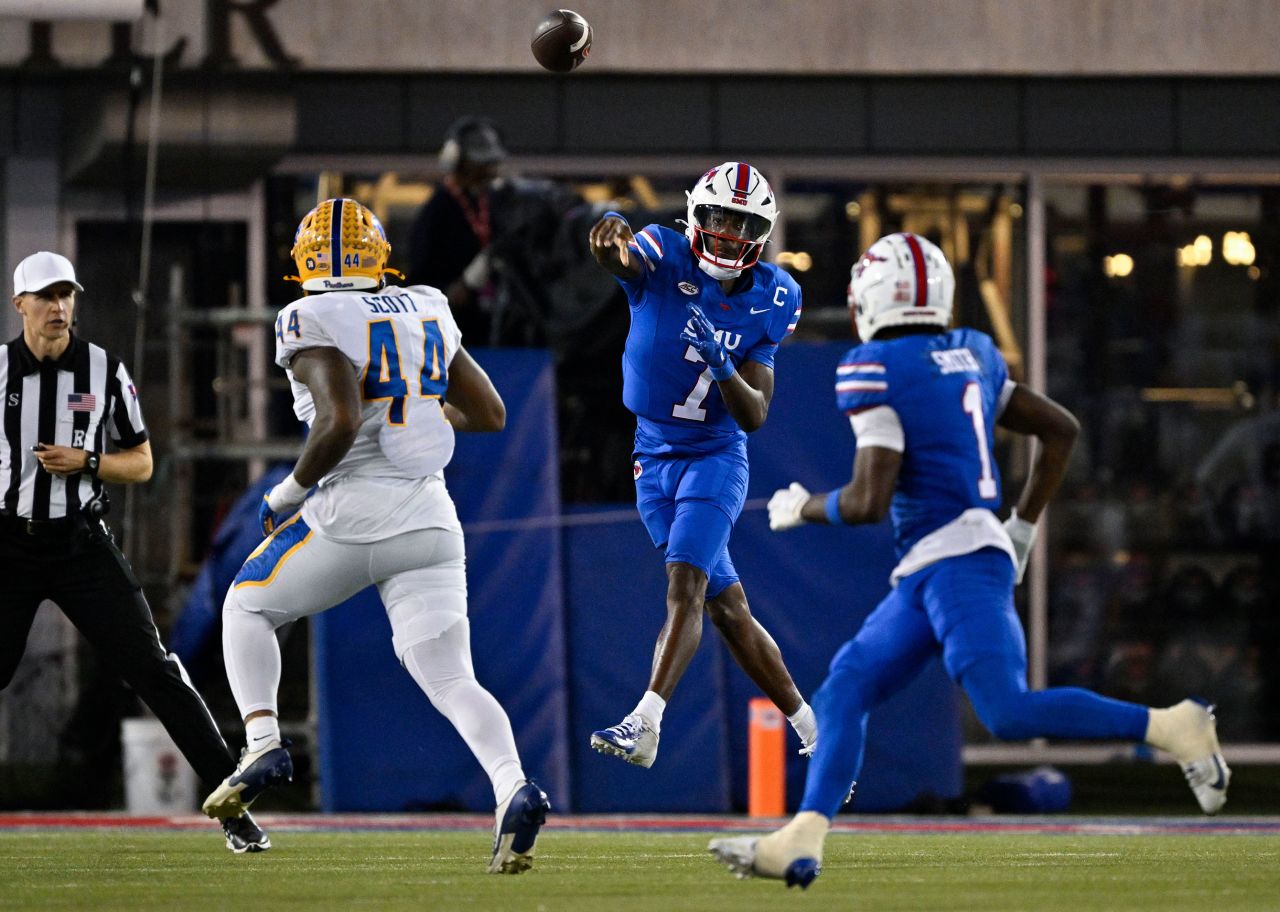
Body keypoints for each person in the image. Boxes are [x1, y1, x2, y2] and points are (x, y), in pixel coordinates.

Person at [709, 233, 1231, 889]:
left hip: (955, 565)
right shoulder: (975, 354)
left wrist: (803, 506)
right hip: (937, 565)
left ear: (871, 295)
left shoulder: (875, 367)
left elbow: (869, 501)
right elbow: (1060, 428)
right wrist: (1023, 524)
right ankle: (801, 839)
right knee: (845, 687)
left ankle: (1172, 725)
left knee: (1007, 711)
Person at [199, 198, 550, 874]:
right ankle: (512, 787)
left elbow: (337, 423)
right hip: (431, 519)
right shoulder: (425, 304)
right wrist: (416, 408)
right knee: (452, 679)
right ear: (379, 259)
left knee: (247, 605)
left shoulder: (306, 316)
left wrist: (285, 492)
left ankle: (264, 741)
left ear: (305, 265)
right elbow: (491, 412)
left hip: (354, 510)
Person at [0, 251, 268, 853]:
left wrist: (88, 462)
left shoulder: (103, 370)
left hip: (81, 543)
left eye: (66, 294)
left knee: (155, 669)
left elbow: (142, 462)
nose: (58, 307)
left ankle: (234, 809)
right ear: (19, 304)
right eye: (45, 296)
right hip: (10, 543)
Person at [585, 162, 817, 769]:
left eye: (742, 222)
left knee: (683, 582)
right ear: (695, 214)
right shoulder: (663, 252)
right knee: (728, 609)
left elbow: (756, 413)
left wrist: (724, 367)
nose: (727, 231)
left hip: (714, 455)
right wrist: (610, 228)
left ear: (761, 233)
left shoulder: (775, 295)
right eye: (717, 216)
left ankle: (647, 721)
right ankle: (816, 731)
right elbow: (621, 258)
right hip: (651, 455)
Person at [405, 116, 506, 344]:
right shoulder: (437, 210)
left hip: (488, 323)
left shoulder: (490, 201)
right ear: (456, 162)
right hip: (447, 329)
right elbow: (419, 275)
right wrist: (449, 292)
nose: (488, 171)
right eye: (480, 164)